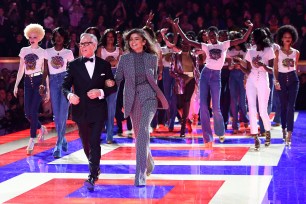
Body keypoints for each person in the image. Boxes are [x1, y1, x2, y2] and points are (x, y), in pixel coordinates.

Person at [168, 18, 253, 146]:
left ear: (218, 35)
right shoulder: (206, 46)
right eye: (210, 35)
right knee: (203, 106)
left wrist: (250, 28)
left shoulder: (224, 45)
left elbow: (242, 40)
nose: (212, 37)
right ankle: (207, 137)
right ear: (207, 37)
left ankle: (220, 132)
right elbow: (187, 40)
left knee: (216, 107)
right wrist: (176, 26)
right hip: (206, 74)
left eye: (214, 35)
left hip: (216, 76)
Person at [62, 33, 116, 191]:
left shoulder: (104, 65)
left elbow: (112, 86)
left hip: (98, 110)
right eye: (81, 43)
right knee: (86, 142)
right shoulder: (73, 65)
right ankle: (95, 165)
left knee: (94, 141)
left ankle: (92, 174)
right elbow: (65, 86)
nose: (83, 46)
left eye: (86, 43)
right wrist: (70, 95)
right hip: (81, 110)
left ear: (94, 45)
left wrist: (100, 91)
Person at [115, 28, 168, 186]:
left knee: (144, 128)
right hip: (132, 99)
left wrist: (155, 96)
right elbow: (117, 79)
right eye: (131, 40)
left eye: (136, 39)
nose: (133, 42)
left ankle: (140, 174)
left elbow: (154, 81)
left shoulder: (152, 58)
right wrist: (106, 86)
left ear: (144, 42)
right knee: (140, 135)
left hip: (149, 97)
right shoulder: (124, 59)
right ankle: (149, 161)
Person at [236, 28, 275, 151]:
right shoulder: (250, 51)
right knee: (251, 109)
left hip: (263, 79)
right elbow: (248, 70)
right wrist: (239, 67)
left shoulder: (269, 50)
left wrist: (264, 65)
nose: (251, 39)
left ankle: (267, 131)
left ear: (259, 38)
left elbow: (273, 70)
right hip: (251, 80)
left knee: (262, 110)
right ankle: (255, 136)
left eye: (253, 37)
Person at [13, 23, 48, 155]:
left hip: (39, 81)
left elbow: (45, 71)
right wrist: (16, 84)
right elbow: (21, 69)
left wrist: (47, 88)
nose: (32, 39)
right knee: (28, 113)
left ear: (39, 37)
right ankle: (41, 127)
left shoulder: (43, 52)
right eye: (30, 37)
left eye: (35, 37)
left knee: (33, 111)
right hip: (28, 81)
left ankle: (32, 139)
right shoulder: (24, 50)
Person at [45, 27, 74, 158]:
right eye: (56, 35)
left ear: (64, 38)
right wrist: (44, 86)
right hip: (53, 81)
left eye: (61, 36)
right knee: (57, 115)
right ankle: (63, 138)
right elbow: (45, 71)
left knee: (63, 113)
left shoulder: (68, 52)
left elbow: (73, 71)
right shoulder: (47, 51)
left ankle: (58, 144)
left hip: (65, 81)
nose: (58, 38)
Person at [274, 25, 300, 146]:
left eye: (289, 37)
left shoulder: (296, 52)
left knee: (291, 106)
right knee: (283, 106)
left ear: (292, 38)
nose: (287, 39)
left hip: (293, 79)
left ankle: (289, 133)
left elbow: (296, 67)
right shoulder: (277, 52)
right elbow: (275, 68)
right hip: (282, 79)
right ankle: (284, 128)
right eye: (285, 37)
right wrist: (276, 81)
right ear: (282, 39)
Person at [97, 29, 123, 144]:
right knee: (101, 106)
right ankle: (99, 131)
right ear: (105, 38)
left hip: (115, 77)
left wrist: (112, 62)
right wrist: (111, 62)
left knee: (111, 106)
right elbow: (98, 64)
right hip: (102, 77)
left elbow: (120, 65)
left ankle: (110, 135)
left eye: (112, 37)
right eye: (108, 36)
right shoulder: (100, 50)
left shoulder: (119, 50)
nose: (110, 38)